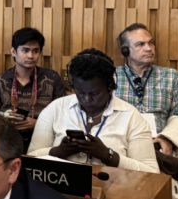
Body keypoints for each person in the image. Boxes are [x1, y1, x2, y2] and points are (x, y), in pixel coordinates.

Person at [27, 49, 159, 172]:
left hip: (113, 188)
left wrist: (108, 156)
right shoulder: (55, 109)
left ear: (110, 86)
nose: (86, 99)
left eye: (94, 93)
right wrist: (57, 152)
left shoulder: (130, 116)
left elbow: (151, 172)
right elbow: (30, 158)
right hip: (60, 187)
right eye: (80, 92)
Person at [114, 23, 178, 191]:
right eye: (140, 44)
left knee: (156, 194)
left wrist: (167, 139)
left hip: (159, 145)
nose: (149, 48)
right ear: (125, 51)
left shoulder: (171, 76)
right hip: (123, 145)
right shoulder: (112, 77)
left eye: (151, 43)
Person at [0, 27, 66, 151]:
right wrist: (5, 121)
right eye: (25, 50)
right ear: (13, 52)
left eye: (35, 51)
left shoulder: (52, 79)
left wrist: (38, 123)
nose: (31, 56)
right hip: (6, 141)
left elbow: (63, 115)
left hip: (44, 141)